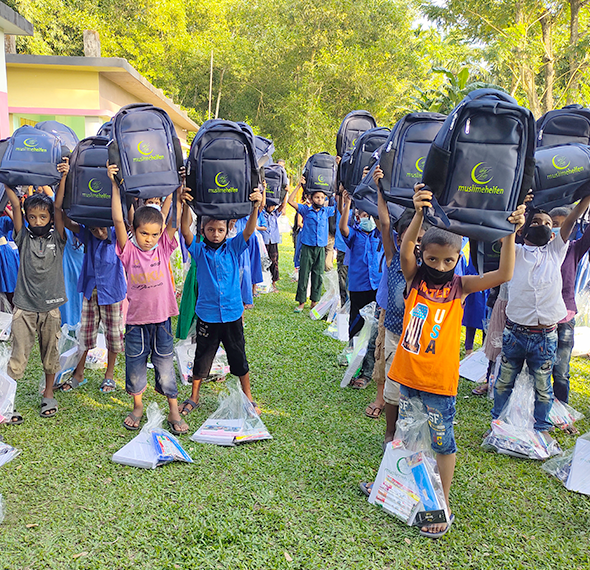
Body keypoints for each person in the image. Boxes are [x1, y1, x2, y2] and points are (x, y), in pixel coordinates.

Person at [388, 183, 525, 538]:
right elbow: (405, 249)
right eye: (432, 259)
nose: (440, 266)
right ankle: (400, 486)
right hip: (408, 377)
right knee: (408, 437)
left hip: (440, 384)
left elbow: (503, 275)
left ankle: (441, 504)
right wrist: (419, 214)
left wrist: (510, 234)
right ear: (423, 255)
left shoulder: (461, 287)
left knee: (441, 442)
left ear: (459, 258)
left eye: (448, 260)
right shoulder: (413, 279)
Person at [491, 196, 590, 439]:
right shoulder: (514, 251)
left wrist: (586, 197)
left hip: (545, 336)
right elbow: (506, 231)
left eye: (548, 224)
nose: (543, 226)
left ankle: (542, 429)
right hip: (515, 333)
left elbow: (571, 220)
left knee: (543, 387)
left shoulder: (556, 251)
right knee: (504, 382)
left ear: (554, 233)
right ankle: (498, 425)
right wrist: (515, 215)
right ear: (524, 230)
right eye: (535, 222)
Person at [109, 163, 187, 434]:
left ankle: (174, 409)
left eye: (154, 234)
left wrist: (176, 186)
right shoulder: (128, 251)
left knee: (166, 365)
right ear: (134, 230)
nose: (149, 239)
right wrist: (114, 185)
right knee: (135, 366)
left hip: (162, 320)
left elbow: (169, 218)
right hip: (136, 323)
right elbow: (119, 220)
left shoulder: (163, 248)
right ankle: (138, 406)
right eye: (144, 233)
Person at [179, 187, 263, 416]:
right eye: (210, 229)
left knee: (239, 356)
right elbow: (185, 229)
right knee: (202, 357)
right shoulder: (198, 251)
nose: (215, 233)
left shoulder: (234, 247)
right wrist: (185, 204)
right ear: (203, 230)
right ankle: (194, 396)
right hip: (207, 315)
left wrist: (255, 207)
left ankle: (248, 396)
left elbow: (248, 231)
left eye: (220, 229)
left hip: (233, 314)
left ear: (228, 230)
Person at [4, 158, 70, 421]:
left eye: (43, 216)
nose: (38, 220)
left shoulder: (58, 236)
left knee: (50, 354)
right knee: (18, 356)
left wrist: (62, 178)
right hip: (24, 307)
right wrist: (7, 176)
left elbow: (59, 207)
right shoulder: (22, 237)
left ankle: (48, 393)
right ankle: (7, 402)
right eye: (33, 217)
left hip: (51, 308)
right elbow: (16, 207)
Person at [55, 213, 127, 393]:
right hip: (91, 289)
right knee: (85, 333)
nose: (99, 232)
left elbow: (119, 218)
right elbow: (66, 220)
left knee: (114, 335)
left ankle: (109, 375)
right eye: (94, 229)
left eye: (102, 228)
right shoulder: (87, 235)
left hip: (112, 291)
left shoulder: (118, 233)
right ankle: (78, 373)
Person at [550, 205, 590, 418]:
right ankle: (542, 409)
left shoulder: (575, 248)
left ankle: (562, 412)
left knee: (561, 370)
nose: (557, 229)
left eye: (563, 225)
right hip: (541, 319)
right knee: (540, 368)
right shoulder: (542, 248)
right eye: (553, 224)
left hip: (565, 316)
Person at [287, 178, 335, 313]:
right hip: (307, 247)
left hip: (320, 247)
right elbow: (290, 201)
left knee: (318, 274)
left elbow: (339, 207)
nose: (320, 200)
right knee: (304, 274)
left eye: (322, 197)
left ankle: (314, 302)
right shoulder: (306, 210)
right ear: (311, 198)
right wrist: (298, 186)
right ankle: (301, 302)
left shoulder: (326, 211)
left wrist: (337, 191)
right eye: (317, 197)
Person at [259, 201, 285, 292]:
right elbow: (261, 205)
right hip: (264, 241)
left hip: (273, 241)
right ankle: (261, 283)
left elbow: (283, 205)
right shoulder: (261, 212)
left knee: (274, 262)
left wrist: (285, 192)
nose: (271, 207)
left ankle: (273, 283)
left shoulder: (275, 214)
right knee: (262, 262)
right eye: (270, 205)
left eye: (273, 206)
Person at [0, 203, 19, 308]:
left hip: (4, 255)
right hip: (4, 254)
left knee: (10, 288)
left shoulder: (3, 220)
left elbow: (16, 222)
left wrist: (4, 208)